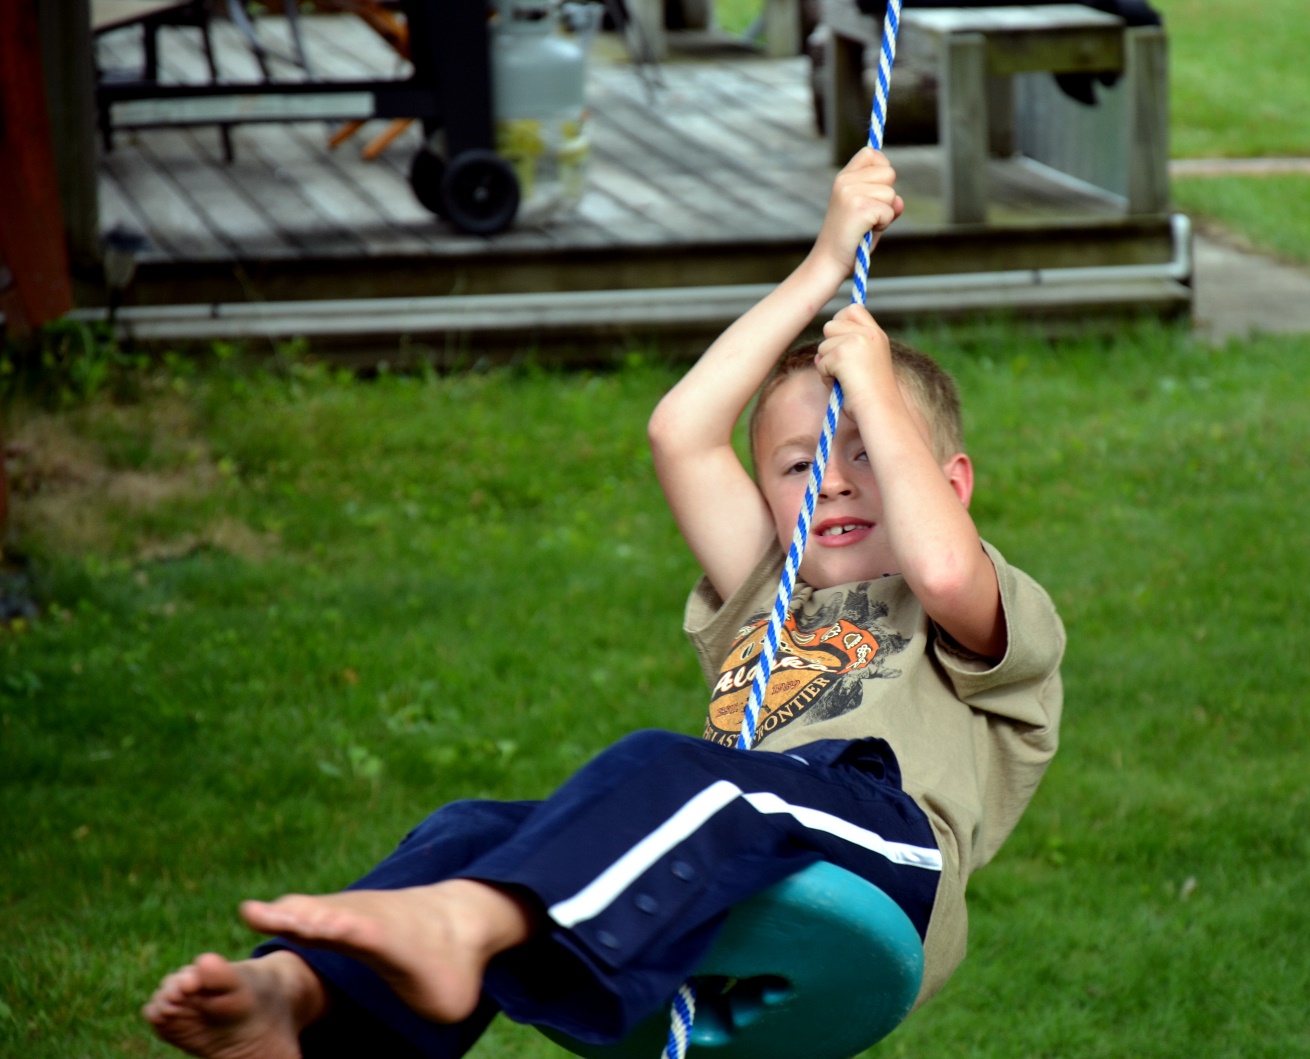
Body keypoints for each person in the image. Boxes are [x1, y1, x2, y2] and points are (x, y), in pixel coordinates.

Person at [143, 148, 1065, 1059]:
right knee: (470, 828)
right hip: (731, 851)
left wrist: (872, 382)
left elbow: (942, 568)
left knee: (677, 772)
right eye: (801, 463)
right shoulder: (769, 592)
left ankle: (466, 924)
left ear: (951, 481)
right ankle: (299, 996)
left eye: (869, 450)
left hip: (889, 858)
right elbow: (681, 432)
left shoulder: (979, 600)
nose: (832, 480)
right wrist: (823, 264)